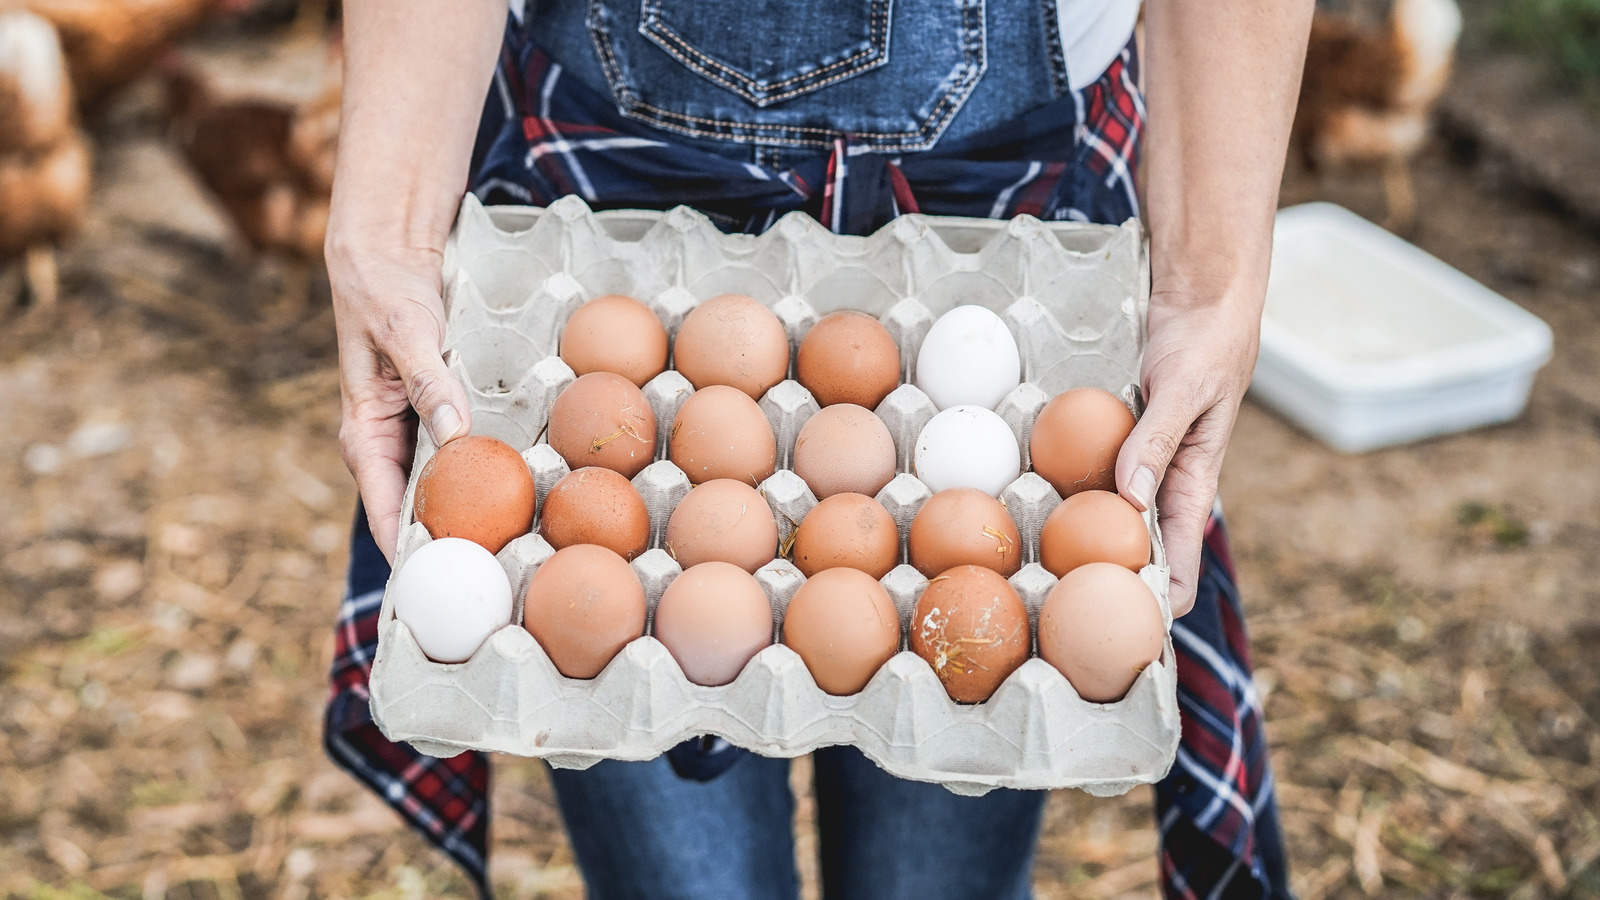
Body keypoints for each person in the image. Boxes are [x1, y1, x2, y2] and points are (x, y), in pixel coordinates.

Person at [323, 1, 1312, 897]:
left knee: (939, 851)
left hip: (999, 222)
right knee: (676, 875)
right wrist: (389, 223)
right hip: (612, 201)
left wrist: (1212, 277)